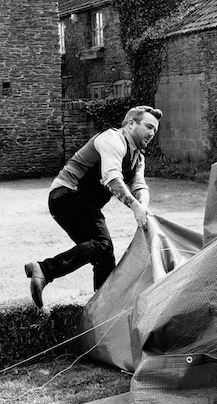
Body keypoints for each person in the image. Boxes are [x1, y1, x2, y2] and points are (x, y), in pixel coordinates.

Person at [25, 105, 162, 308]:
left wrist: (144, 207)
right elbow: (111, 178)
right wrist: (135, 208)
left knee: (103, 254)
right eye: (148, 126)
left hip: (79, 201)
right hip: (67, 195)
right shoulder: (113, 139)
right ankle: (44, 270)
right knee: (102, 243)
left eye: (155, 130)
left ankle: (102, 307)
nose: (151, 133)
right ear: (131, 123)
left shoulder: (137, 157)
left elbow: (139, 185)